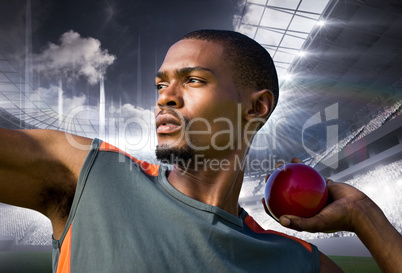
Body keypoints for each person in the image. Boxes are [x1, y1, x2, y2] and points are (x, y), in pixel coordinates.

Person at [0, 29, 401, 273]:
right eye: (160, 85)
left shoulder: (293, 262)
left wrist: (364, 215)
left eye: (192, 80)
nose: (165, 98)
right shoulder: (85, 173)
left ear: (256, 108)